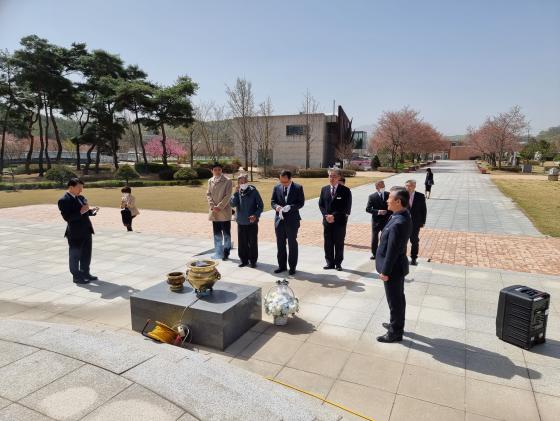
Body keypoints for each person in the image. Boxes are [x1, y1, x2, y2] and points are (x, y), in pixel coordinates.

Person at [375, 187, 412, 343]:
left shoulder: (399, 221)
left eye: (390, 198)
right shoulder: (399, 215)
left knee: (395, 301)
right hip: (396, 267)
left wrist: (385, 271)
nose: (387, 200)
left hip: (393, 270)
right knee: (398, 299)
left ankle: (395, 332)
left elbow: (393, 251)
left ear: (398, 201)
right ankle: (396, 324)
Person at [57, 178, 99, 284]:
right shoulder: (63, 200)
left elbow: (84, 211)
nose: (81, 190)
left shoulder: (80, 197)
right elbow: (68, 218)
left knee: (86, 254)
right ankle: (76, 276)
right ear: (71, 187)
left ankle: (85, 273)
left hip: (87, 230)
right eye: (79, 188)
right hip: (75, 234)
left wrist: (90, 211)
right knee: (75, 256)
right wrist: (81, 212)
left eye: (82, 188)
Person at [271, 169, 305, 275]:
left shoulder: (298, 188)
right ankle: (282, 266)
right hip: (279, 220)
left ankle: (292, 267)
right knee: (280, 244)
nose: (283, 184)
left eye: (285, 182)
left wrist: (291, 207)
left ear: (290, 179)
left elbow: (301, 203)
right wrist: (277, 207)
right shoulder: (276, 187)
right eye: (281, 181)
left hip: (292, 221)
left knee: (292, 244)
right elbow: (273, 201)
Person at [318, 168, 352, 271]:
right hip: (327, 221)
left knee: (339, 242)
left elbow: (346, 208)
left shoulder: (345, 191)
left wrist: (334, 216)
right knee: (327, 242)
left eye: (334, 176)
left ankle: (338, 263)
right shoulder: (324, 189)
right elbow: (321, 204)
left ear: (339, 178)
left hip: (339, 221)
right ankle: (329, 263)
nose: (331, 178)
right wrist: (326, 215)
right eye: (330, 176)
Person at [230, 174, 264, 268]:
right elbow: (232, 204)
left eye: (245, 182)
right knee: (242, 243)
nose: (243, 183)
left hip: (252, 222)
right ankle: (244, 260)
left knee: (252, 242)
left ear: (248, 182)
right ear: (238, 183)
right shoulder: (238, 192)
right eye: (241, 182)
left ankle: (253, 261)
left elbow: (260, 206)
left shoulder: (254, 191)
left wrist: (256, 215)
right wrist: (235, 193)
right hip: (241, 221)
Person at [206, 162, 233, 260]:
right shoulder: (210, 181)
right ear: (212, 171)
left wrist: (219, 206)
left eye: (219, 169)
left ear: (221, 170)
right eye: (215, 170)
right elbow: (208, 194)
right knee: (217, 234)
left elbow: (228, 195)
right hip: (214, 212)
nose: (217, 171)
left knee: (226, 234)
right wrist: (213, 206)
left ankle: (226, 253)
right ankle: (218, 252)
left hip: (224, 212)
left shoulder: (228, 181)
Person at [366, 180, 392, 260]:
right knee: (374, 238)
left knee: (385, 238)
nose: (383, 187)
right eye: (381, 185)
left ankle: (384, 253)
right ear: (376, 187)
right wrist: (378, 212)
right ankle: (374, 253)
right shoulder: (372, 196)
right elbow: (368, 209)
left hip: (387, 220)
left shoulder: (389, 195)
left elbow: (392, 206)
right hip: (376, 221)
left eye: (384, 185)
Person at [405, 179, 427, 266]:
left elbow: (423, 210)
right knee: (403, 241)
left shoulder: (420, 196)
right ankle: (402, 257)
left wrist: (423, 222)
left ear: (414, 186)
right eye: (406, 186)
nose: (407, 187)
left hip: (415, 223)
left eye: (409, 186)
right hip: (404, 223)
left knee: (414, 241)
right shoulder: (402, 195)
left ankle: (414, 258)